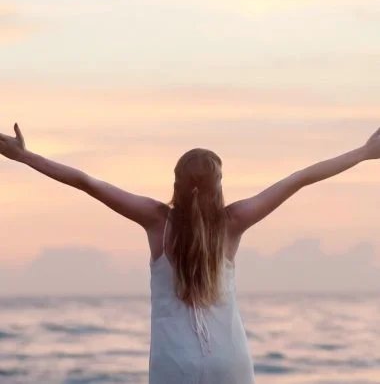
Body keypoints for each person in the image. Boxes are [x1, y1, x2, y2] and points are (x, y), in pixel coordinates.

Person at [1, 123, 379, 384]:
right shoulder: (235, 221)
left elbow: (86, 182)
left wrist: (25, 156)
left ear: (177, 183)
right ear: (218, 185)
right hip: (228, 362)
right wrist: (364, 152)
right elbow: (301, 177)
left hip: (173, 363)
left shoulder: (155, 220)